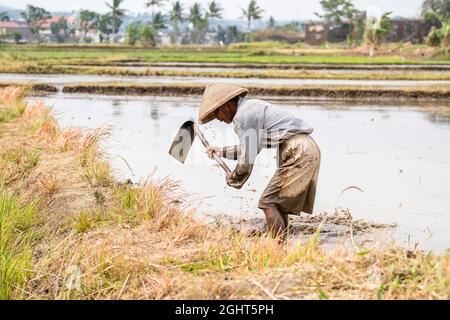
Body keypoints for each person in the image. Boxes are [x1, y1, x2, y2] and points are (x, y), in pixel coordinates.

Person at [199, 84, 321, 239]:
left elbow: (247, 158)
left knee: (268, 203)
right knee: (277, 205)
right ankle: (281, 247)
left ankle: (277, 248)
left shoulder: (244, 116)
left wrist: (235, 177)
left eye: (217, 112)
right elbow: (248, 148)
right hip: (303, 148)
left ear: (227, 104)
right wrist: (221, 151)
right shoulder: (250, 108)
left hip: (298, 150)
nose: (219, 119)